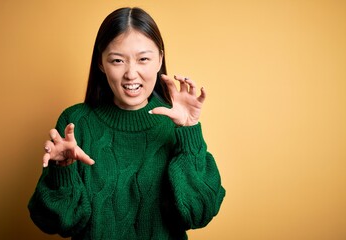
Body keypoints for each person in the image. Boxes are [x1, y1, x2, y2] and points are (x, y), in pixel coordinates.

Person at [28, 7, 225, 240]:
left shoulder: (176, 124)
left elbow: (198, 214)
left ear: (160, 59)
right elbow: (58, 223)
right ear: (101, 63)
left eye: (143, 59)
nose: (131, 73)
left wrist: (189, 130)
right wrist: (62, 171)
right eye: (117, 60)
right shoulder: (75, 123)